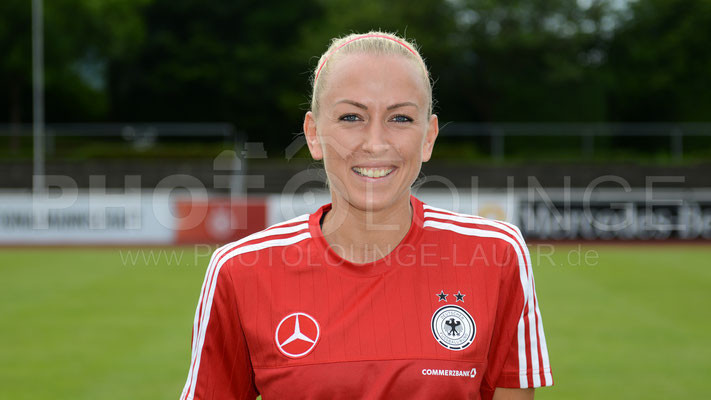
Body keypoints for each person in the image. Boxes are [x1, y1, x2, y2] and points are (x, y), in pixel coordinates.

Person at [180, 31, 553, 400]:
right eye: (351, 117)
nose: (375, 143)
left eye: (401, 119)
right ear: (313, 134)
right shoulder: (240, 270)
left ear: (429, 137)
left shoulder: (497, 254)